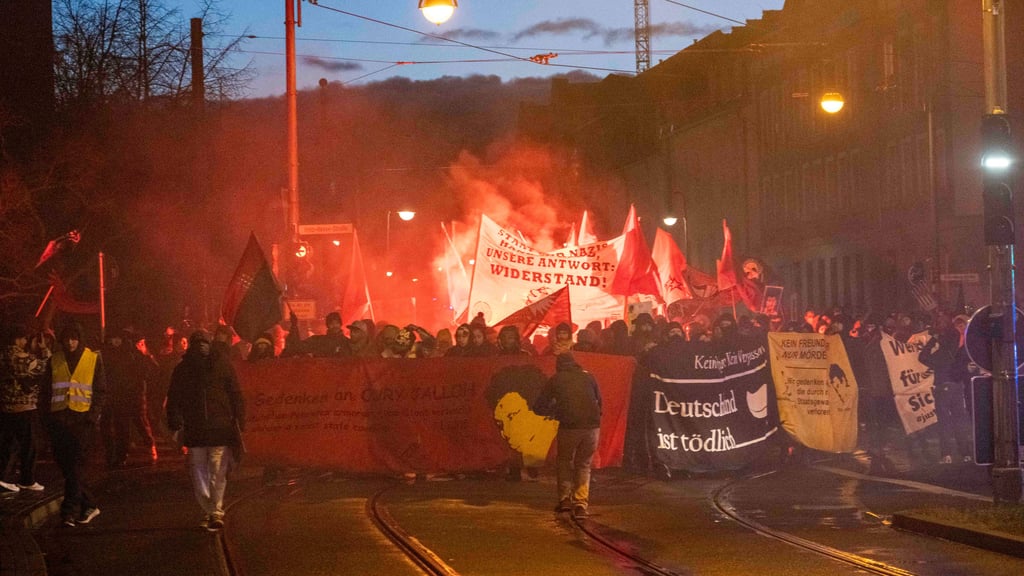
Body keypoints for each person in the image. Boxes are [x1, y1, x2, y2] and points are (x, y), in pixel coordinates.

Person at [166, 330, 245, 532]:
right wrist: (174, 419)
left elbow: (235, 393)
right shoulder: (183, 369)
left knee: (217, 471)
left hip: (220, 428)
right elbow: (174, 396)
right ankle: (208, 509)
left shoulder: (222, 364)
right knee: (198, 471)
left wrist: (239, 417)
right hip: (196, 429)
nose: (201, 346)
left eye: (204, 342)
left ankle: (215, 510)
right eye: (197, 343)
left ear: (210, 344)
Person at [43, 322, 106, 527]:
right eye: (67, 339)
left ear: (80, 339)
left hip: (82, 421)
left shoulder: (93, 359)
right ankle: (89, 504)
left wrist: (93, 416)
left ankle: (68, 511)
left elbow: (100, 390)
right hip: (60, 420)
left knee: (75, 465)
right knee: (67, 466)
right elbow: (46, 390)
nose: (70, 343)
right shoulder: (55, 360)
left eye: (74, 338)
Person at [534, 352, 602, 517]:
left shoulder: (556, 379)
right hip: (592, 427)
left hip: (569, 426)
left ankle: (565, 500)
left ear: (558, 366)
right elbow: (599, 401)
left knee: (565, 461)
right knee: (584, 464)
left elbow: (539, 406)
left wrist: (553, 412)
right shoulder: (589, 377)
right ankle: (580, 503)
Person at [0, 323, 50, 493]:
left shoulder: (3, 354)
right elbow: (43, 368)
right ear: (20, 339)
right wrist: (44, 351)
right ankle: (27, 479)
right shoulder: (20, 357)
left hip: (6, 406)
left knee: (9, 444)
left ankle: (3, 477)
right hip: (23, 406)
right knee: (29, 445)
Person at [919, 310, 971, 464]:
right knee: (959, 420)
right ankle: (965, 453)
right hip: (957, 386)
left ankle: (946, 454)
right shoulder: (961, 352)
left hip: (942, 386)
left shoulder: (941, 354)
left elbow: (922, 357)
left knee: (944, 421)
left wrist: (932, 341)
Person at [101, 328, 158, 468]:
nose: (115, 341)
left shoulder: (131, 354)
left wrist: (145, 355)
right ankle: (119, 455)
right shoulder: (105, 354)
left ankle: (149, 445)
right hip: (114, 395)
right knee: (118, 427)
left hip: (133, 394)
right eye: (113, 338)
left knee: (139, 422)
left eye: (118, 338)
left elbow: (151, 370)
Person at [284, 311, 352, 357]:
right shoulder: (319, 341)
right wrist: (294, 326)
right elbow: (298, 346)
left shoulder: (347, 343)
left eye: (337, 323)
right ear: (327, 325)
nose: (335, 326)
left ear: (340, 324)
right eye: (332, 323)